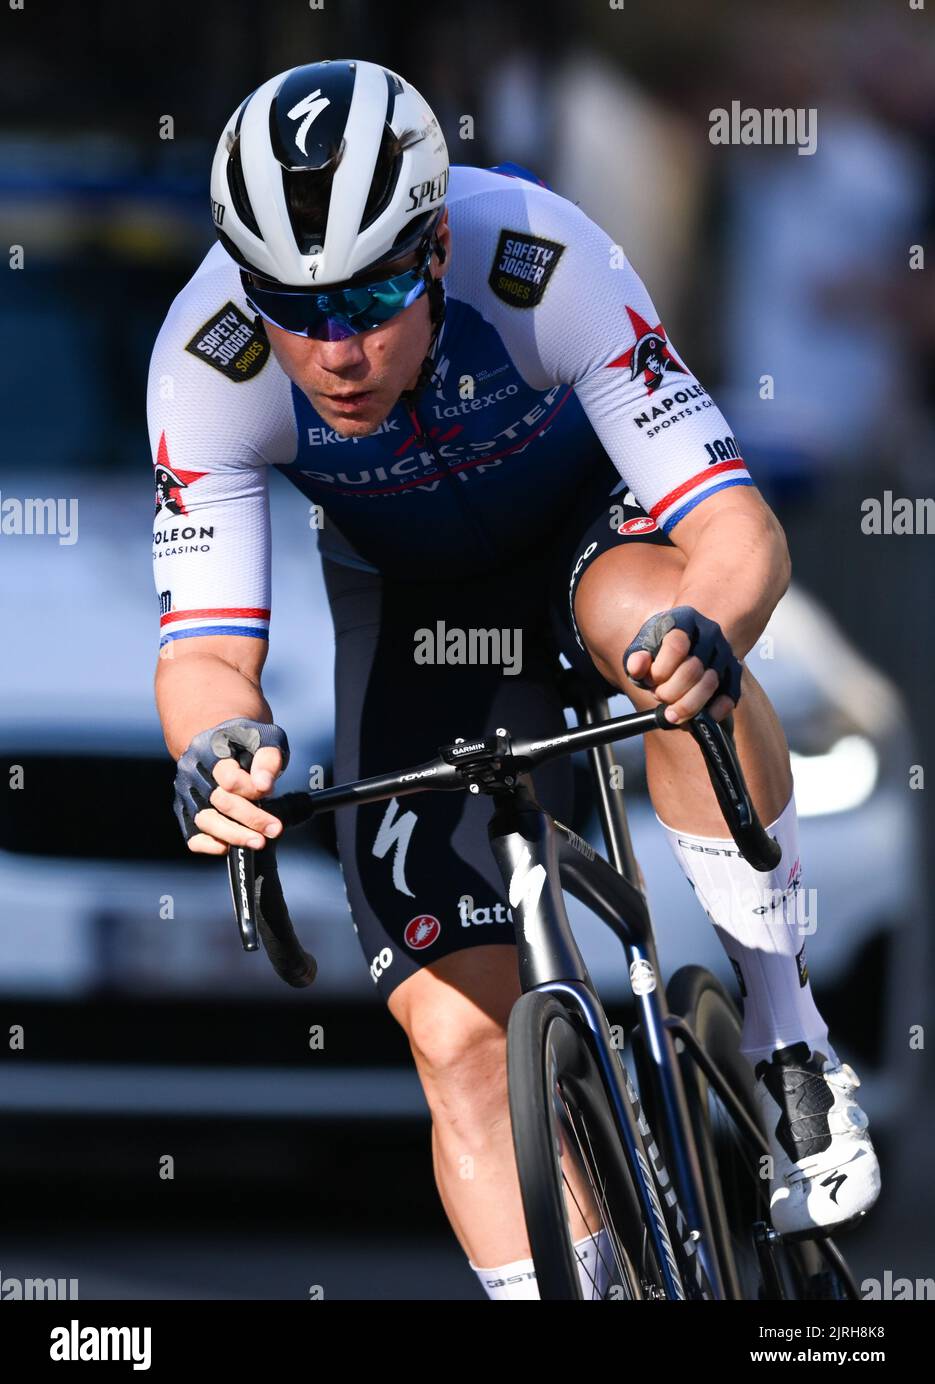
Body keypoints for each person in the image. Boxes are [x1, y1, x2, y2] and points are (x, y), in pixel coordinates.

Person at [148, 58, 880, 1300]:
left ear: (433, 249)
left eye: (373, 294)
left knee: (659, 629)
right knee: (454, 1043)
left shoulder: (539, 256)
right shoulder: (206, 363)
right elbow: (209, 656)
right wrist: (219, 751)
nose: (334, 348)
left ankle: (782, 1038)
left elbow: (734, 530)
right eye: (293, 303)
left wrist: (709, 631)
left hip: (588, 540)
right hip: (411, 607)